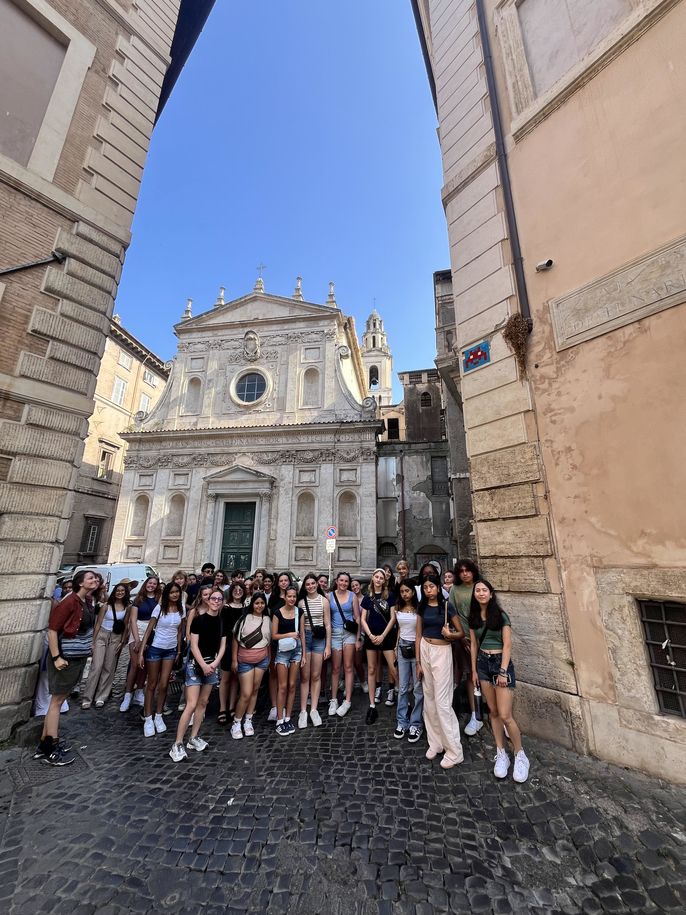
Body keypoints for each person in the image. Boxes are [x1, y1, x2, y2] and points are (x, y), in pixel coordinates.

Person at [34, 569, 99, 765]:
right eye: (91, 578)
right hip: (64, 658)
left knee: (58, 700)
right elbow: (53, 630)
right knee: (56, 702)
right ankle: (51, 748)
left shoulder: (86, 601)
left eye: (96, 578)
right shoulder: (69, 601)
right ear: (80, 583)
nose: (95, 580)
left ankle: (44, 745)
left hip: (75, 657)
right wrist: (56, 657)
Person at [468, 579, 529, 783]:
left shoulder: (501, 616)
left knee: (505, 715)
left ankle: (520, 754)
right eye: (478, 590)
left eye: (484, 590)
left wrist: (503, 671)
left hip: (500, 664)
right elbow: (474, 645)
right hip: (483, 664)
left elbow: (508, 645)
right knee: (493, 712)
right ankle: (501, 752)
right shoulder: (473, 617)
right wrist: (475, 670)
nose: (481, 593)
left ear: (491, 594)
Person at [170, 587, 226, 761]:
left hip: (211, 666)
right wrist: (203, 665)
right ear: (208, 601)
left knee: (203, 703)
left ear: (222, 602)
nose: (216, 601)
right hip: (196, 666)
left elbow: (223, 646)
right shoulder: (199, 620)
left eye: (219, 599)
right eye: (213, 598)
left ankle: (193, 738)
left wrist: (214, 665)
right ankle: (177, 743)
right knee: (191, 704)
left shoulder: (222, 622)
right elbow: (193, 645)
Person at [416, 575, 464, 769]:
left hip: (442, 651)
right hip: (425, 648)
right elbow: (418, 634)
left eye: (432, 587)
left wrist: (450, 634)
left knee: (443, 701)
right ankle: (435, 742)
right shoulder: (422, 607)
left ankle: (454, 750)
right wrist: (418, 662)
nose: (429, 590)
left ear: (438, 588)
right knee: (429, 698)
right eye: (426, 587)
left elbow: (460, 632)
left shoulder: (447, 607)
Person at [139, 582, 185, 737]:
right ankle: (148, 718)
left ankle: (158, 716)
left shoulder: (181, 609)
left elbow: (180, 632)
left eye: (177, 592)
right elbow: (148, 630)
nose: (175, 595)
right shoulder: (159, 609)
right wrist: (141, 653)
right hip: (155, 649)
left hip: (170, 651)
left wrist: (178, 650)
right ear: (167, 594)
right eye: (172, 592)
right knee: (152, 683)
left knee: (164, 684)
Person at [81, 581, 131, 709]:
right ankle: (87, 697)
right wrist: (93, 640)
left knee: (109, 667)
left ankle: (101, 696)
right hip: (102, 635)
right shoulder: (106, 606)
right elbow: (97, 624)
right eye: (118, 590)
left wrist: (122, 641)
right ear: (114, 592)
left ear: (125, 594)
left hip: (115, 637)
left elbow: (125, 625)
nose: (120, 593)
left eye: (122, 591)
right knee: (96, 666)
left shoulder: (127, 607)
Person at [231, 592, 272, 740]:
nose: (259, 606)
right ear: (252, 604)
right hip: (245, 660)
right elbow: (235, 639)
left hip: (262, 660)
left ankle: (248, 720)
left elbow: (268, 641)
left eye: (262, 603)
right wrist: (234, 660)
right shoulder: (243, 618)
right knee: (246, 693)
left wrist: (268, 659)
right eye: (257, 603)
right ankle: (237, 721)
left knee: (255, 691)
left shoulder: (268, 619)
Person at [449, 558, 483, 736]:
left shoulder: (480, 586)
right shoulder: (455, 589)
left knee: (487, 676)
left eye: (467, 570)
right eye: (461, 571)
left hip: (482, 637)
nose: (464, 573)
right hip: (464, 639)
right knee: (471, 675)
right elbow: (453, 615)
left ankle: (496, 713)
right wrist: (462, 638)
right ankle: (475, 714)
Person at [360, 568, 398, 724]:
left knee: (393, 668)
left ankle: (402, 700)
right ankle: (371, 705)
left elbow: (393, 618)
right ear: (373, 578)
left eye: (381, 577)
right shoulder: (367, 598)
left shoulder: (390, 596)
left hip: (386, 636)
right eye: (376, 577)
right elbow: (363, 619)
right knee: (371, 669)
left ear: (384, 581)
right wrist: (370, 635)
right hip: (371, 636)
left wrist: (382, 636)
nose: (378, 579)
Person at [119, 575, 161, 711]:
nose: (152, 585)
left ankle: (139, 692)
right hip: (138, 630)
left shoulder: (159, 599)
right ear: (146, 584)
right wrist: (137, 639)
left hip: (153, 632)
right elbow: (132, 620)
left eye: (154, 584)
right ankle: (128, 695)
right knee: (135, 664)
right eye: (150, 583)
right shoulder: (138, 599)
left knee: (146, 665)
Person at [297, 573, 331, 728]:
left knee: (316, 676)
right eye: (307, 584)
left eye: (313, 583)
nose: (310, 586)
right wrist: (303, 650)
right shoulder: (301, 603)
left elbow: (328, 624)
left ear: (317, 584)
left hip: (319, 639)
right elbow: (301, 629)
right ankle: (303, 710)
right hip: (306, 638)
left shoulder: (324, 601)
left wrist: (328, 645)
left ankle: (314, 709)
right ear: (304, 586)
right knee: (305, 677)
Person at [392, 581, 423, 742]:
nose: (405, 594)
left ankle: (416, 724)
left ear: (413, 592)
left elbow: (420, 633)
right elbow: (399, 629)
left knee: (418, 688)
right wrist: (396, 647)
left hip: (417, 647)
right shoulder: (397, 608)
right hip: (402, 647)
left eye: (407, 591)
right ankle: (401, 721)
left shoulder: (420, 609)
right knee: (403, 687)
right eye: (402, 591)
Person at [327, 572, 359, 718]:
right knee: (335, 668)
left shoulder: (353, 596)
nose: (344, 583)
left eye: (346, 581)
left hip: (349, 634)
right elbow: (327, 618)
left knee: (348, 667)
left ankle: (347, 701)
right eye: (341, 580)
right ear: (337, 581)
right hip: (334, 634)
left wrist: (359, 639)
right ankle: (333, 699)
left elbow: (357, 618)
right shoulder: (329, 596)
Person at [272, 585, 302, 735]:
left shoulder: (299, 612)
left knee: (292, 686)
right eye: (289, 596)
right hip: (282, 652)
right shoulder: (277, 613)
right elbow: (274, 635)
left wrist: (304, 655)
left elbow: (302, 634)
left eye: (294, 597)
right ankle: (279, 719)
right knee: (282, 686)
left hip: (296, 651)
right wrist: (289, 634)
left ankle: (288, 717)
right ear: (284, 597)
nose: (292, 599)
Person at [218, 582, 246, 724]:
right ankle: (222, 708)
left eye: (240, 590)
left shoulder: (245, 608)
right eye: (235, 590)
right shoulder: (225, 608)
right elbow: (222, 629)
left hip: (242, 646)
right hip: (228, 646)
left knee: (236, 678)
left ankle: (232, 706)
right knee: (226, 678)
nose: (237, 592)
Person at [267, 572, 293, 721]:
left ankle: (283, 705)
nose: (283, 583)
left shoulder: (293, 597)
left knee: (287, 675)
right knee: (274, 673)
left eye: (286, 580)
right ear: (278, 583)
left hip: (290, 640)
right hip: (276, 640)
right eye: (281, 581)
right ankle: (274, 706)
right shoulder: (273, 599)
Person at [350, 578, 368, 692]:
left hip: (361, 633)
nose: (355, 587)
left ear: (360, 586)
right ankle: (349, 682)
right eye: (353, 586)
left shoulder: (365, 599)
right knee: (348, 661)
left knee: (357, 661)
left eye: (356, 585)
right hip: (350, 631)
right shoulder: (349, 598)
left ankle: (362, 680)